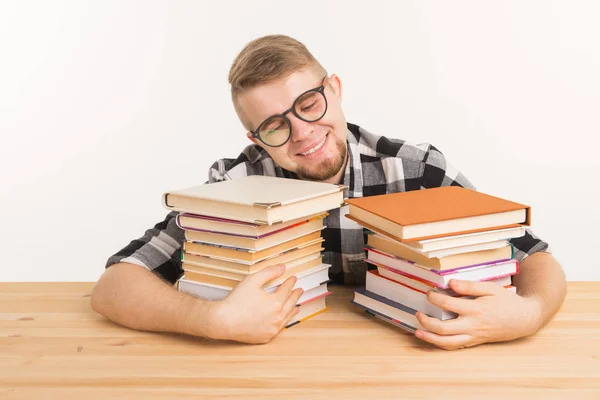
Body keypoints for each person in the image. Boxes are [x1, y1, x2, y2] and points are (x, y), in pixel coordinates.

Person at [91, 35, 566, 350]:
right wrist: (212, 322)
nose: (301, 133)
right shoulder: (233, 189)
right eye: (275, 125)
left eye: (309, 104)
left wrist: (529, 313)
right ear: (256, 140)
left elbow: (534, 258)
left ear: (334, 90)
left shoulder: (418, 169)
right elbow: (114, 286)